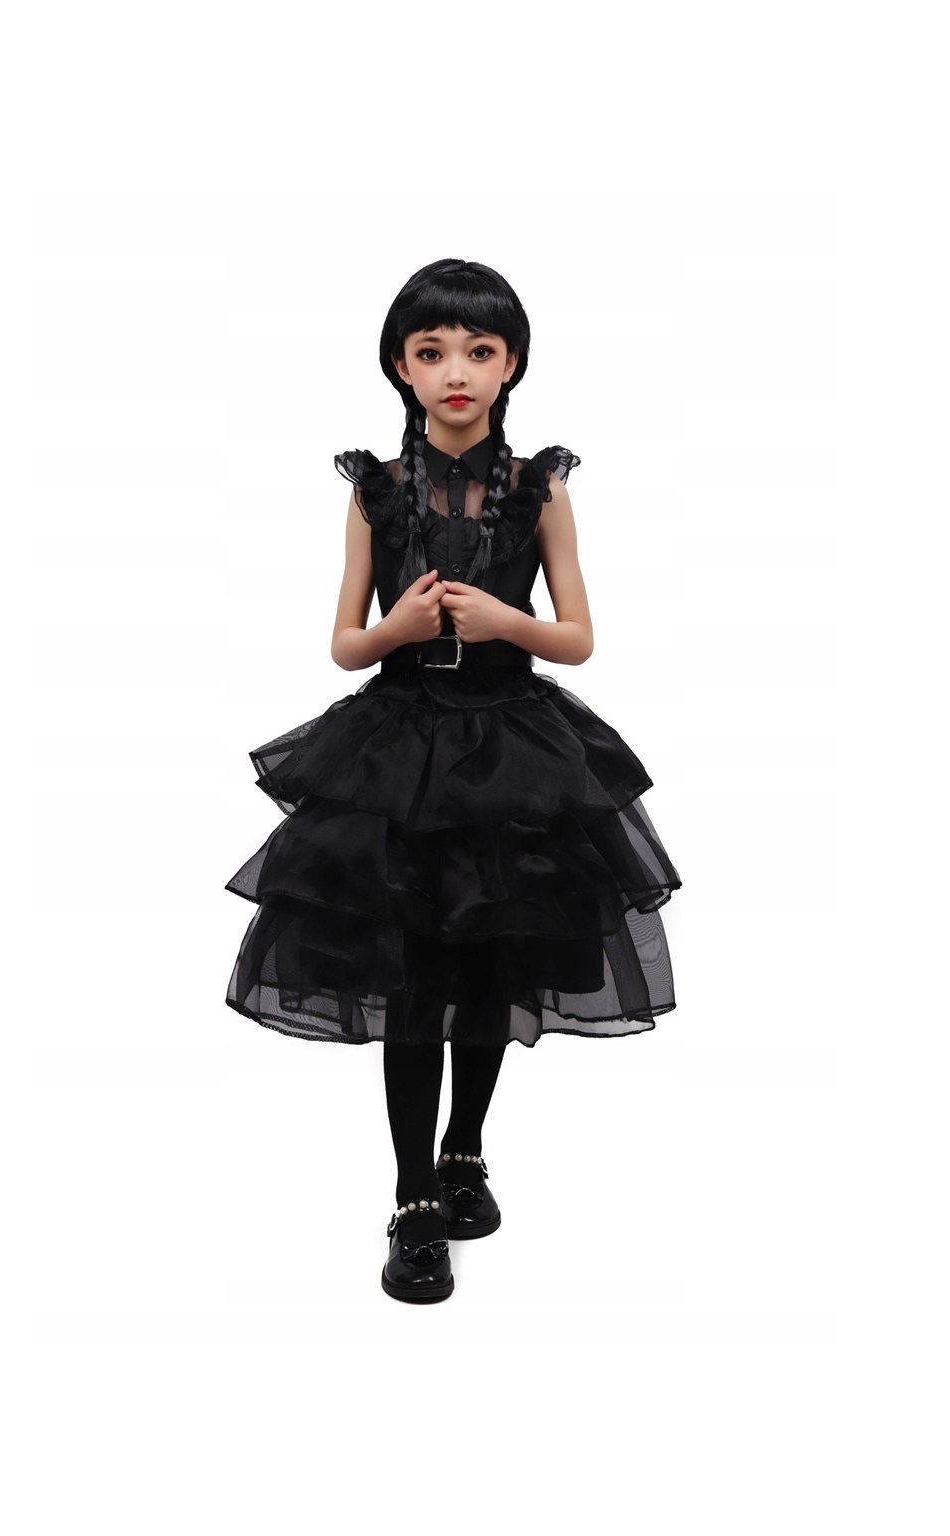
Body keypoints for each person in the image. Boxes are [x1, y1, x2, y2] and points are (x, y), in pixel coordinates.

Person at [224, 257, 683, 1304]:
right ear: (401, 366)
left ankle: (465, 1151)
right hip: (399, 754)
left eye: (479, 350)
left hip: (513, 751)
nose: (457, 372)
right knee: (412, 983)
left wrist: (507, 621)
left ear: (511, 362)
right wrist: (398, 626)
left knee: (488, 969)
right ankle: (412, 1200)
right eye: (431, 352)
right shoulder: (376, 493)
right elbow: (346, 643)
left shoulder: (539, 489)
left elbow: (577, 636)